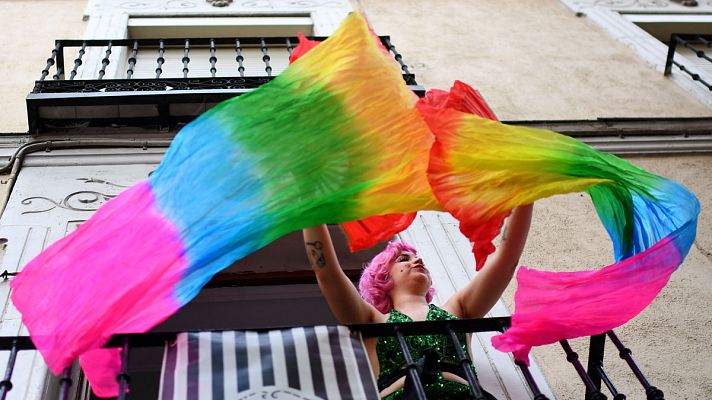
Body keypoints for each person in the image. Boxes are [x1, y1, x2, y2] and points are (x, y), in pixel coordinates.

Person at [302, 205, 533, 399]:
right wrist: (310, 207)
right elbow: (328, 275)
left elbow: (506, 260)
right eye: (404, 259)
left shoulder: (458, 308)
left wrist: (525, 196)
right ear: (382, 277)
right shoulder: (372, 320)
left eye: (416, 257)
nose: (418, 260)